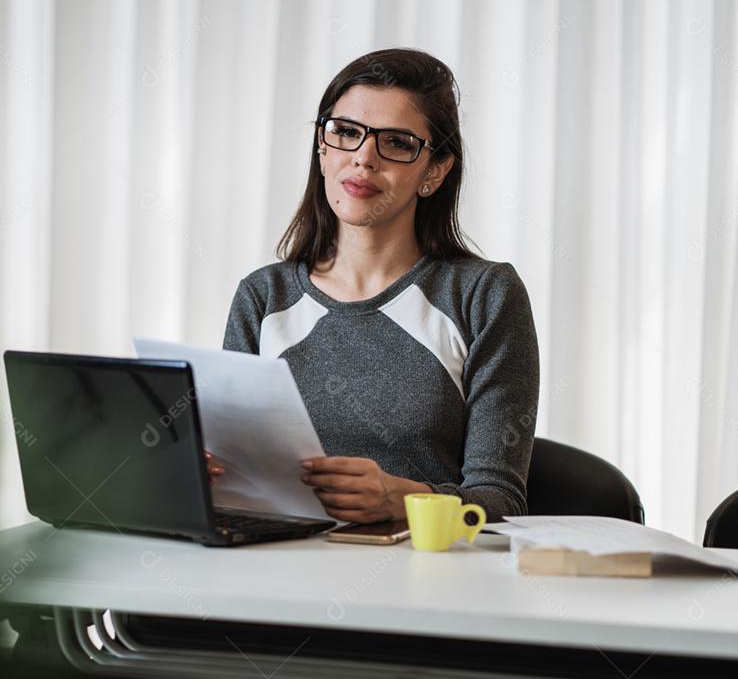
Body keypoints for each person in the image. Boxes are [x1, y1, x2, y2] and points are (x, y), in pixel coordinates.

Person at [211, 48, 539, 524]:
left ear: (434, 172)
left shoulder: (483, 295)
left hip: (421, 566)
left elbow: (501, 503)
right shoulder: (262, 297)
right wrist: (206, 475)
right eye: (346, 133)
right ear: (322, 148)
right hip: (278, 562)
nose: (363, 159)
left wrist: (402, 500)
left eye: (398, 143)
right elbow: (238, 480)